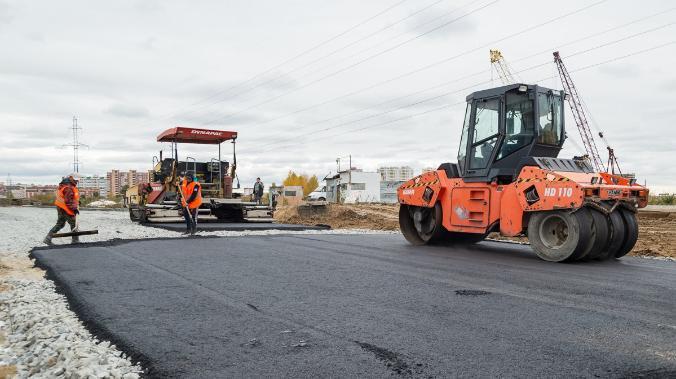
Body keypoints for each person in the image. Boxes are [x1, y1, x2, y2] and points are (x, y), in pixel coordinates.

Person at [44, 174, 80, 245]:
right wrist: (74, 208)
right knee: (73, 223)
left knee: (60, 223)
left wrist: (77, 203)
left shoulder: (65, 185)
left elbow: (70, 198)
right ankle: (75, 241)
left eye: (77, 180)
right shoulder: (69, 187)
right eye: (76, 180)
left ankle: (48, 238)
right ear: (72, 179)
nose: (77, 182)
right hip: (65, 208)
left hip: (61, 207)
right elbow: (68, 201)